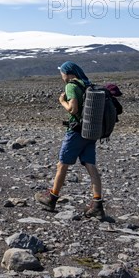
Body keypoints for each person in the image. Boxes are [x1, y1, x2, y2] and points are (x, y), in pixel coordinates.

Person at [34, 61, 105, 220]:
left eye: (62, 72)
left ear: (68, 73)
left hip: (75, 132)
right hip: (90, 132)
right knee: (91, 166)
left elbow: (73, 109)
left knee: (62, 164)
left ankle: (51, 198)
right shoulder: (87, 84)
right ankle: (97, 205)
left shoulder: (72, 86)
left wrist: (62, 102)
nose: (61, 76)